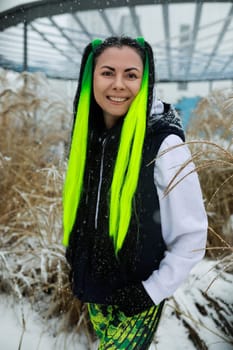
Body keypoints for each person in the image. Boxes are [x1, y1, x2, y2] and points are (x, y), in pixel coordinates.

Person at [62, 36, 208, 349]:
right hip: (95, 290)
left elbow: (193, 236)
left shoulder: (164, 144)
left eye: (130, 74)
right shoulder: (87, 136)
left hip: (137, 297)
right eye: (107, 72)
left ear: (145, 81)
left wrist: (150, 291)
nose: (118, 84)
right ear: (91, 77)